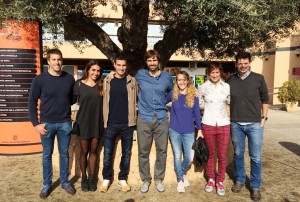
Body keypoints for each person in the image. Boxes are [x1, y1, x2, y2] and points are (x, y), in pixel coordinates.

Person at [28, 48, 76, 199]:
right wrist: (36, 123)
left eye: (59, 59)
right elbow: (31, 101)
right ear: (48, 61)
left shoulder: (69, 79)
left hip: (65, 124)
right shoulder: (40, 80)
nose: (57, 62)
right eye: (54, 59)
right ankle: (47, 184)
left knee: (64, 154)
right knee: (47, 155)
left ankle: (64, 181)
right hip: (46, 124)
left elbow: (73, 99)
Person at [227, 52, 269, 201]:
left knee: (255, 157)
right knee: (238, 154)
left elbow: (265, 99)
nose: (243, 66)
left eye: (245, 63)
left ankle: (255, 186)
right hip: (236, 124)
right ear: (236, 64)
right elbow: (226, 100)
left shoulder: (258, 78)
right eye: (240, 63)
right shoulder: (230, 79)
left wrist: (263, 118)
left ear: (249, 63)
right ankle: (239, 180)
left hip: (255, 124)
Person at [135, 50, 173, 193]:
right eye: (149, 61)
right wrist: (113, 74)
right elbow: (128, 82)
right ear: (146, 62)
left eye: (154, 60)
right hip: (144, 117)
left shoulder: (166, 77)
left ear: (159, 61)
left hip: (161, 118)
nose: (152, 63)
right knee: (143, 151)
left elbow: (171, 92)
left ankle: (158, 179)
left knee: (161, 151)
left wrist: (165, 102)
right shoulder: (140, 75)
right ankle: (145, 179)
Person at [99, 54, 137, 193]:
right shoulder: (107, 80)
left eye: (124, 65)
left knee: (126, 154)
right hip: (110, 123)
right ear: (114, 65)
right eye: (119, 65)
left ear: (126, 66)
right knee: (108, 153)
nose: (121, 68)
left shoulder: (132, 81)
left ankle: (122, 179)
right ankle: (106, 178)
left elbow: (135, 99)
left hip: (127, 124)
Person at [166, 71, 202, 193]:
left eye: (183, 79)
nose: (181, 82)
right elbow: (161, 102)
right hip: (174, 130)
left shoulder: (194, 95)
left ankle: (181, 172)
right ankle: (180, 180)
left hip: (189, 131)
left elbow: (197, 113)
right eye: (179, 80)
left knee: (190, 157)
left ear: (188, 81)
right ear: (176, 81)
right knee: (177, 155)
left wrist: (200, 130)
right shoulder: (173, 93)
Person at [198, 63, 230, 196]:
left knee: (222, 155)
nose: (215, 75)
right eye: (212, 73)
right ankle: (211, 179)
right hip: (208, 123)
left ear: (220, 73)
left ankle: (220, 181)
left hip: (223, 124)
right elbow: (199, 103)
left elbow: (228, 102)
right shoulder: (203, 87)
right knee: (210, 154)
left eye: (217, 72)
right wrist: (207, 108)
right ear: (208, 73)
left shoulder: (226, 86)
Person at [73, 60, 103, 192]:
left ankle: (92, 178)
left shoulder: (102, 85)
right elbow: (69, 100)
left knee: (94, 151)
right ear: (88, 70)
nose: (96, 73)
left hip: (97, 122)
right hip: (83, 121)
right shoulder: (78, 84)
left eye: (98, 71)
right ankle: (83, 178)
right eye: (93, 70)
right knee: (84, 151)